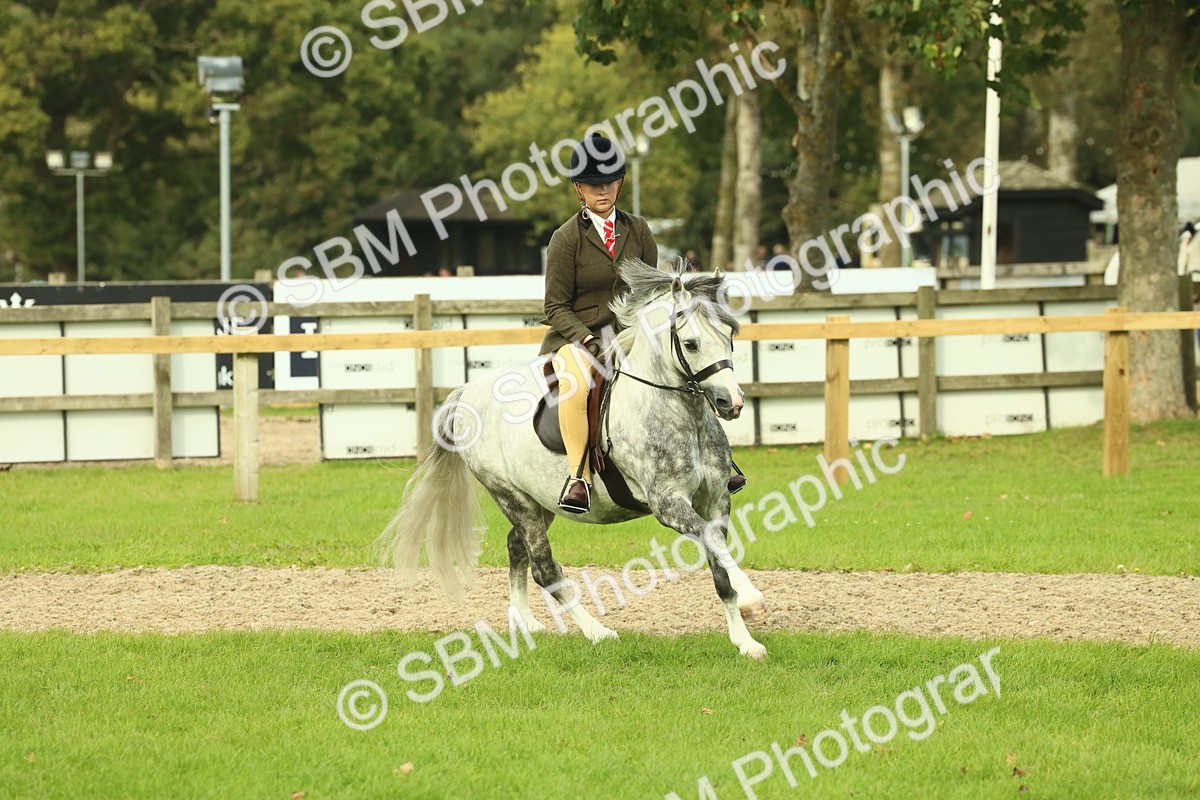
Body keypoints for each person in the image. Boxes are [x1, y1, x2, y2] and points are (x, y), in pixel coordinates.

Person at [540, 133, 658, 513]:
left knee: (685, 365)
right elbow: (555, 306)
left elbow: (650, 290)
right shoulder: (565, 239)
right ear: (579, 188)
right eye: (593, 184)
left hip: (629, 335)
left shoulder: (638, 230)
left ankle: (714, 462)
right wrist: (587, 339)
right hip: (578, 338)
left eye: (608, 182)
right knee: (576, 384)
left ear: (620, 182)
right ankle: (579, 477)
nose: (602, 190)